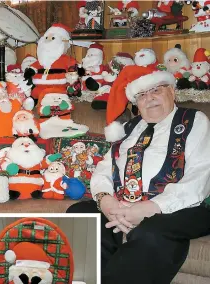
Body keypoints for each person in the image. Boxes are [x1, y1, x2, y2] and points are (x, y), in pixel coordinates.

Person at [67, 65, 210, 284]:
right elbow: (105, 167)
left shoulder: (194, 120)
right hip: (125, 202)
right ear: (136, 104)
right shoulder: (129, 128)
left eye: (156, 90)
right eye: (142, 95)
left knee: (151, 232)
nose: (149, 98)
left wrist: (151, 208)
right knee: (80, 213)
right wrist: (105, 200)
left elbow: (200, 174)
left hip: (181, 207)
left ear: (172, 92)